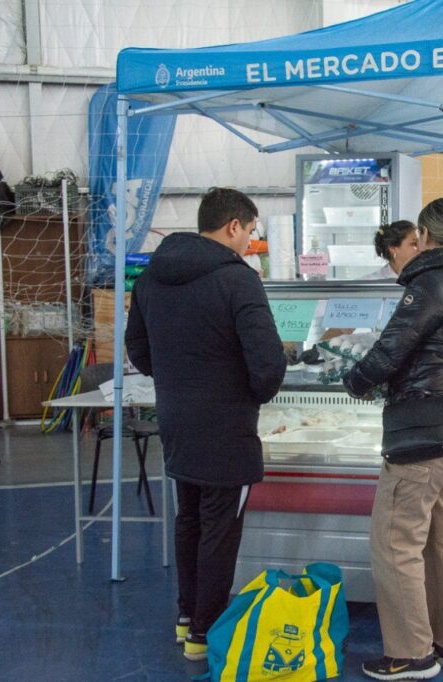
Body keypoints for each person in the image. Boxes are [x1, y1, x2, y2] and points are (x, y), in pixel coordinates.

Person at [125, 187, 286, 662]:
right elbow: (268, 365)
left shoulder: (152, 278)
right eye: (251, 232)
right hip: (227, 426)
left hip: (176, 419)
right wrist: (249, 394)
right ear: (233, 226)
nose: (249, 242)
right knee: (219, 528)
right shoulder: (239, 280)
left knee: (189, 518)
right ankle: (205, 632)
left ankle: (186, 616)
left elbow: (138, 349)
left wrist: (178, 381)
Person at [342, 197, 443, 681]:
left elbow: (388, 353)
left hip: (426, 428)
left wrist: (353, 381)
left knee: (395, 539)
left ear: (426, 236)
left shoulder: (429, 283)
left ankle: (411, 654)